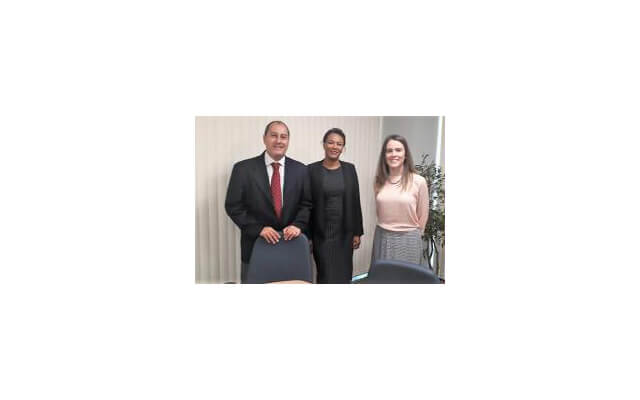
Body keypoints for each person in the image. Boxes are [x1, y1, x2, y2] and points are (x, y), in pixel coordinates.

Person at [225, 121, 312, 283]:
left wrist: (298, 225)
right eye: (273, 135)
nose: (279, 141)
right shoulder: (243, 169)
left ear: (288, 141)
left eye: (283, 137)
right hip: (256, 246)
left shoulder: (301, 170)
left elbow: (307, 204)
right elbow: (233, 205)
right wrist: (258, 228)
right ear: (264, 138)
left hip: (291, 246)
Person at [308, 128, 364, 284]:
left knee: (344, 274)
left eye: (339, 144)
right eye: (331, 142)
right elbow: (307, 204)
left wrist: (357, 232)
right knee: (325, 274)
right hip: (322, 234)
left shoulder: (350, 169)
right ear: (324, 144)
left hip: (345, 233)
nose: (335, 147)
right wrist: (308, 235)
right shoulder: (311, 170)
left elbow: (355, 201)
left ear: (343, 147)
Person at [372, 134, 429, 266]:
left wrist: (412, 235)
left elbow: (423, 216)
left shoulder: (419, 181)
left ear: (405, 154)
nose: (394, 154)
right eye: (389, 151)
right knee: (384, 276)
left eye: (398, 150)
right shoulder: (379, 181)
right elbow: (380, 212)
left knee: (406, 276)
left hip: (408, 239)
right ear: (384, 155)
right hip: (383, 237)